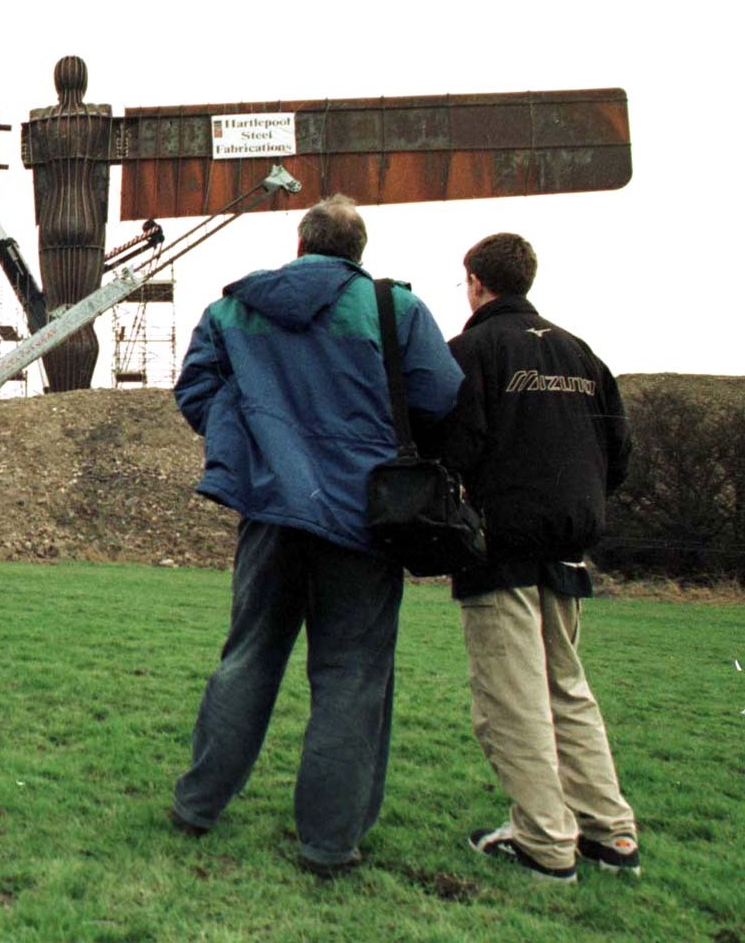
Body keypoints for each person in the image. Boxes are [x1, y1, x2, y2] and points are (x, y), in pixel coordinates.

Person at [168, 194, 462, 877]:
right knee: (351, 679)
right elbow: (441, 397)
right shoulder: (397, 311)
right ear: (359, 254)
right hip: (364, 520)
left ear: (300, 247)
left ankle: (198, 805)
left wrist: (249, 435)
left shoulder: (233, 308)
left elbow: (196, 391)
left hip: (269, 510)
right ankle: (328, 843)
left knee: (248, 659)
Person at [434, 233, 639, 883]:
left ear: (476, 282)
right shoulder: (581, 354)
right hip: (570, 547)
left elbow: (454, 448)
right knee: (568, 690)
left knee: (510, 699)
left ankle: (545, 843)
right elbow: (619, 451)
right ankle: (611, 835)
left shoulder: (472, 352)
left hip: (501, 550)